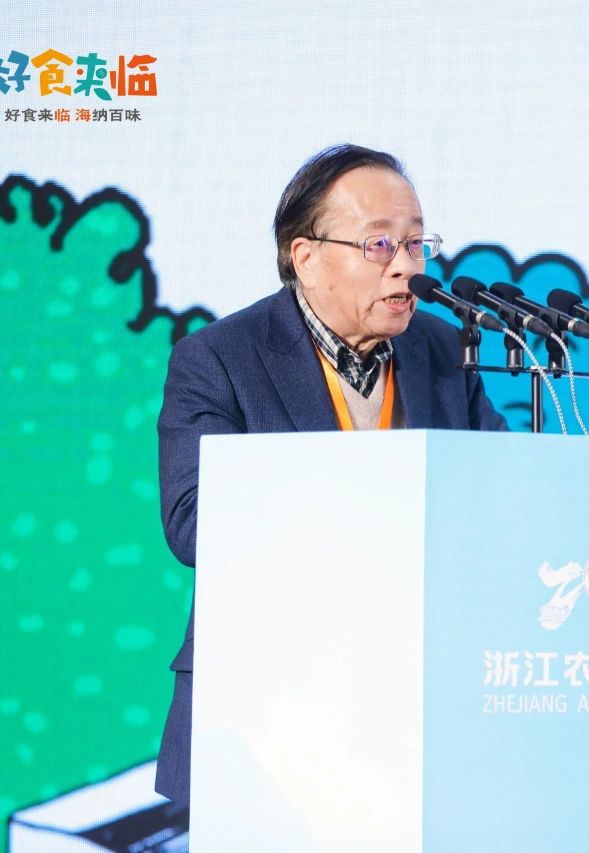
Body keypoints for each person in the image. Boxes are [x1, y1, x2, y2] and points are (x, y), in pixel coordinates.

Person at [154, 144, 509, 803]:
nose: (407, 266)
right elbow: (193, 523)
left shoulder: (441, 347)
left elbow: (499, 487)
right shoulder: (220, 357)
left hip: (419, 696)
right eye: (379, 245)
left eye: (416, 243)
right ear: (306, 256)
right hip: (267, 702)